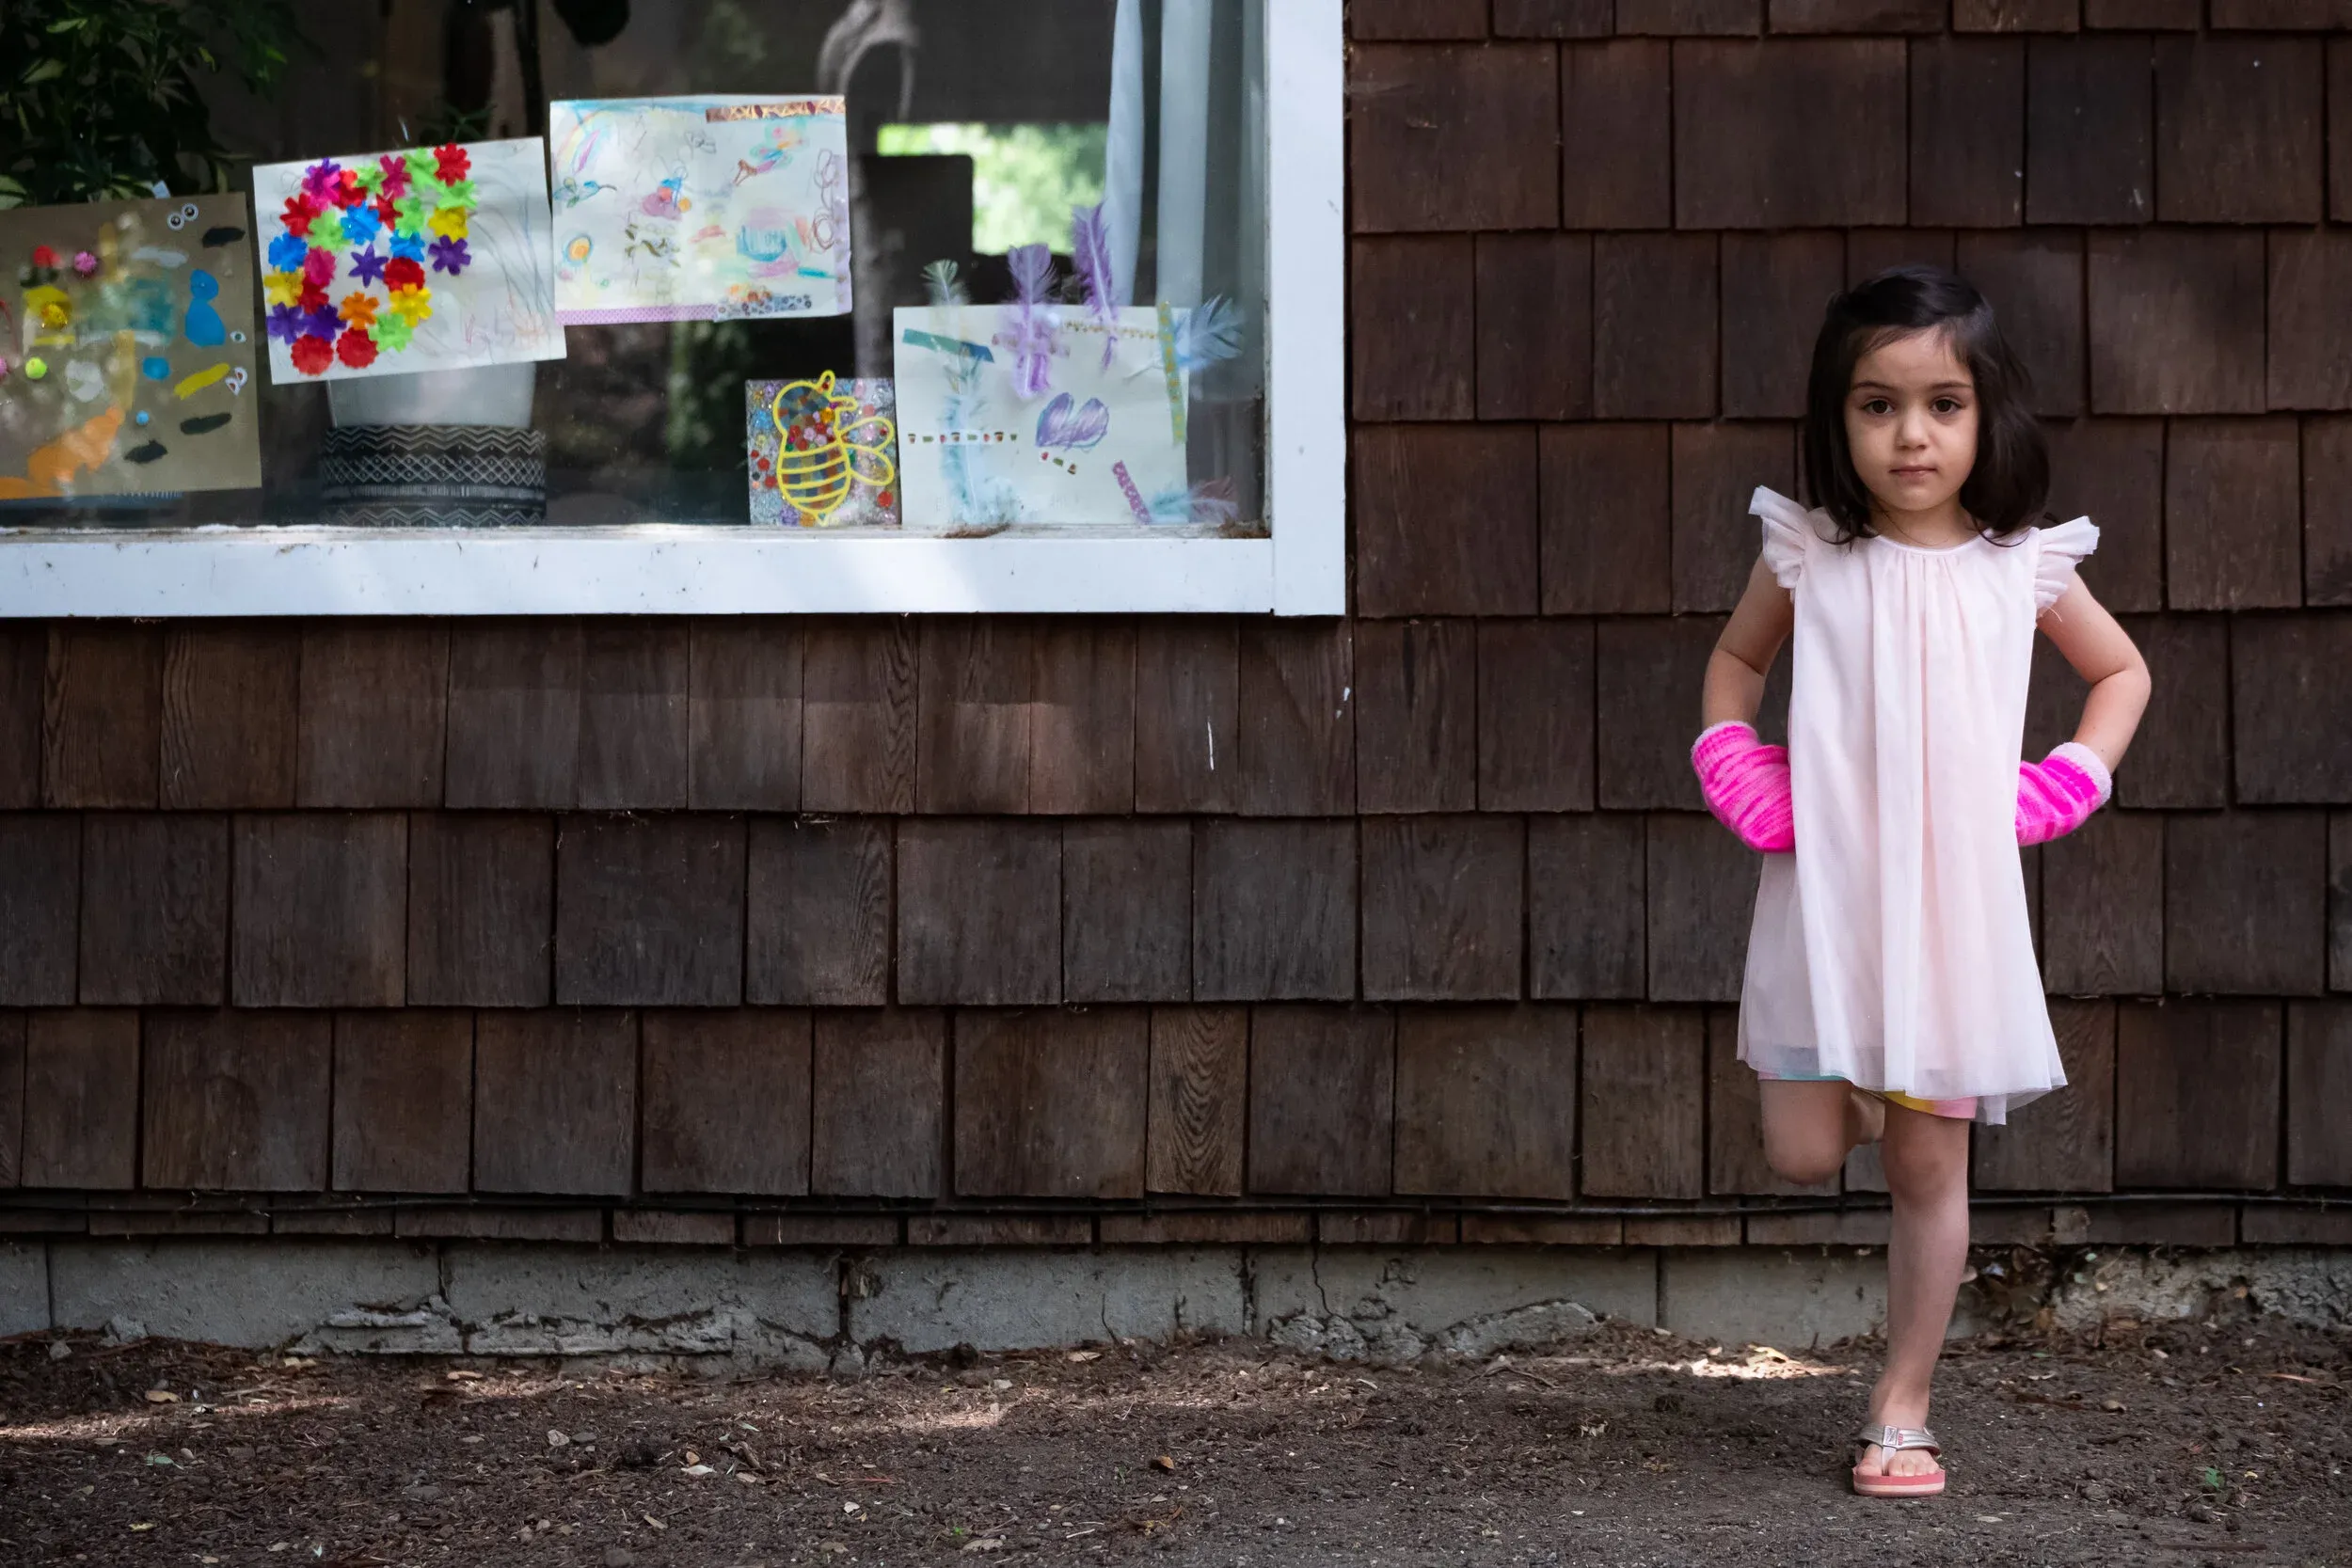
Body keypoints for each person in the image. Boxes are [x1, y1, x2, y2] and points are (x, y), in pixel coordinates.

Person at [1690, 267, 2151, 1499]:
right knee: (1800, 1149)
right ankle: (1870, 1088)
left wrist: (2069, 778)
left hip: (1949, 913)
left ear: (1987, 412)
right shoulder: (1810, 552)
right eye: (1878, 405)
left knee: (1926, 1169)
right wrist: (1733, 755)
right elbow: (1737, 663)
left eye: (1943, 404)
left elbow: (2121, 676)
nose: (1911, 435)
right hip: (1828, 896)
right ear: (1837, 416)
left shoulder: (2023, 565)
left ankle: (1902, 1409)